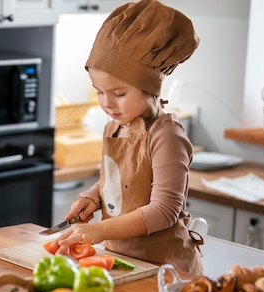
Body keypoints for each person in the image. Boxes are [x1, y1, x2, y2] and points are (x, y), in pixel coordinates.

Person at [54, 0, 204, 275]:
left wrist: (98, 229)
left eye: (119, 93)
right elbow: (117, 182)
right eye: (99, 91)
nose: (107, 104)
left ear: (150, 89)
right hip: (124, 264)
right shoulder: (113, 127)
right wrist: (93, 196)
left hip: (166, 270)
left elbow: (164, 209)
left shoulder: (166, 134)